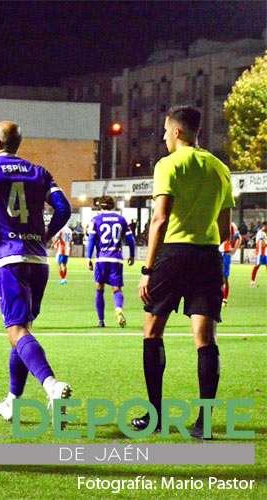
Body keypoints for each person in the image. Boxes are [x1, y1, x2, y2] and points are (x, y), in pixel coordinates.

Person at [0, 120, 72, 423]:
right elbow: (64, 209)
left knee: (18, 331)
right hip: (38, 260)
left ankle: (51, 384)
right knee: (22, 331)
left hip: (9, 259)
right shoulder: (40, 172)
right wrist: (47, 233)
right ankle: (13, 400)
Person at [133, 106, 234, 440]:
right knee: (205, 339)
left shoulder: (167, 164)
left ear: (177, 131)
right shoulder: (220, 168)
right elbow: (225, 226)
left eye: (165, 131)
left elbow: (160, 218)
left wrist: (148, 269)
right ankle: (203, 424)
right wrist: (219, 263)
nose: (163, 137)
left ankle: (155, 418)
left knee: (152, 331)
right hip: (208, 256)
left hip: (174, 254)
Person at [87, 196, 136, 328]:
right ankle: (118, 308)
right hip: (116, 259)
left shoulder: (96, 220)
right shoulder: (121, 220)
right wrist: (131, 255)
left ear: (100, 206)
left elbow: (91, 240)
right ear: (113, 206)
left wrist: (88, 258)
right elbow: (130, 240)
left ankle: (101, 320)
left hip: (101, 259)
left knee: (99, 288)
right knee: (117, 289)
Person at [219, 222, 241, 305]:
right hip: (217, 252)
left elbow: (238, 237)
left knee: (224, 277)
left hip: (225, 253)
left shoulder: (231, 224)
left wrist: (234, 249)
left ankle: (224, 299)